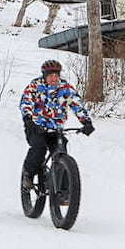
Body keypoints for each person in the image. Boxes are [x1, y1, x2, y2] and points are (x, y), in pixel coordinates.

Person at [19, 60, 95, 190]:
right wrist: (28, 119)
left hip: (55, 129)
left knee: (62, 149)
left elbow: (77, 105)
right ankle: (28, 175)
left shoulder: (65, 88)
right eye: (50, 75)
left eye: (56, 75)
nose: (54, 78)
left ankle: (64, 191)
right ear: (44, 75)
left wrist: (86, 122)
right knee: (39, 148)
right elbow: (26, 102)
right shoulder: (35, 86)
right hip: (36, 127)